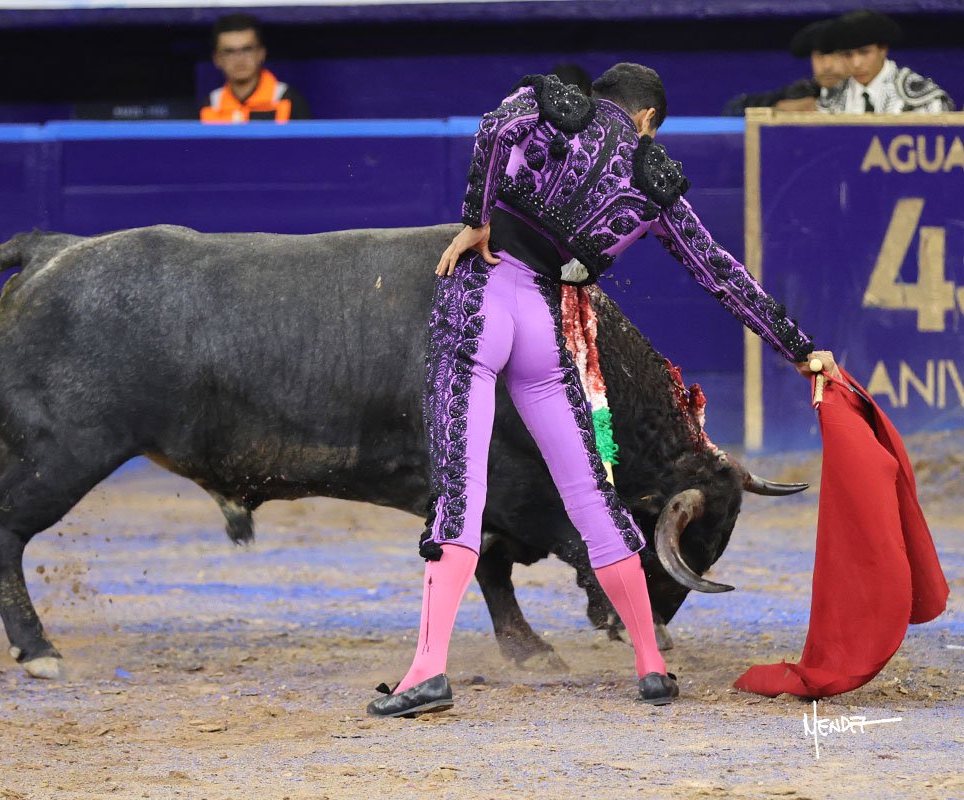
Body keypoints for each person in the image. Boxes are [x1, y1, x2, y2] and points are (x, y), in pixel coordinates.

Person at [367, 64, 838, 718]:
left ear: (604, 97)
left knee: (460, 488)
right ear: (648, 119)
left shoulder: (554, 104)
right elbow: (721, 274)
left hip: (479, 302)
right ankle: (650, 665)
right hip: (544, 325)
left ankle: (426, 672)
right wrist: (801, 348)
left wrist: (475, 220)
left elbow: (495, 129)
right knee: (592, 495)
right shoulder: (653, 181)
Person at [818, 9, 954, 114]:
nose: (856, 63)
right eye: (847, 55)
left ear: (883, 50)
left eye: (864, 52)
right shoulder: (830, 100)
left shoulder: (924, 99)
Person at [200, 14, 310, 123]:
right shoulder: (210, 105)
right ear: (217, 58)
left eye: (247, 49)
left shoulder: (289, 100)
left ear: (261, 53)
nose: (239, 59)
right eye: (229, 52)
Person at [723, 19, 847, 115]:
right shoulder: (805, 91)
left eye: (837, 54)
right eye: (819, 56)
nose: (827, 66)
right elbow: (735, 108)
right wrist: (777, 110)